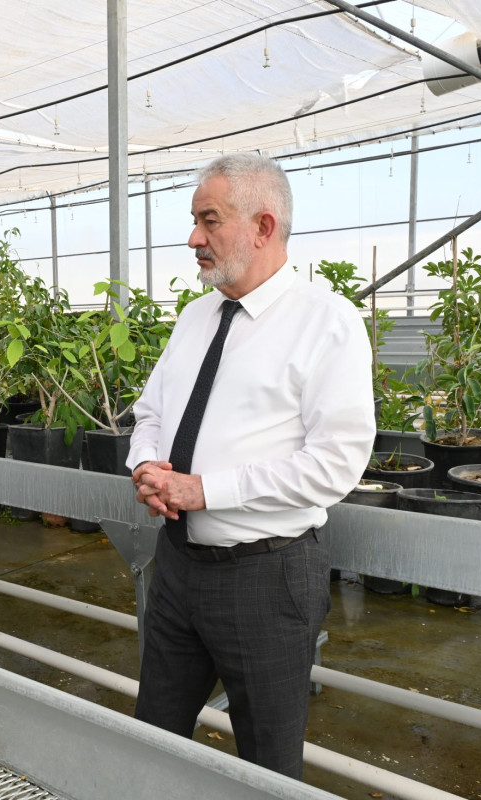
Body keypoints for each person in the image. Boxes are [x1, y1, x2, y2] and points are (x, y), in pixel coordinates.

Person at [125, 153, 375, 779]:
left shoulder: (328, 323)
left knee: (265, 766)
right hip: (179, 567)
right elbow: (150, 411)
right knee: (152, 742)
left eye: (209, 221)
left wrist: (205, 490)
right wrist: (147, 468)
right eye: (193, 221)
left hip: (267, 577)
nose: (193, 238)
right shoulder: (195, 317)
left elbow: (335, 464)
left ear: (263, 226)